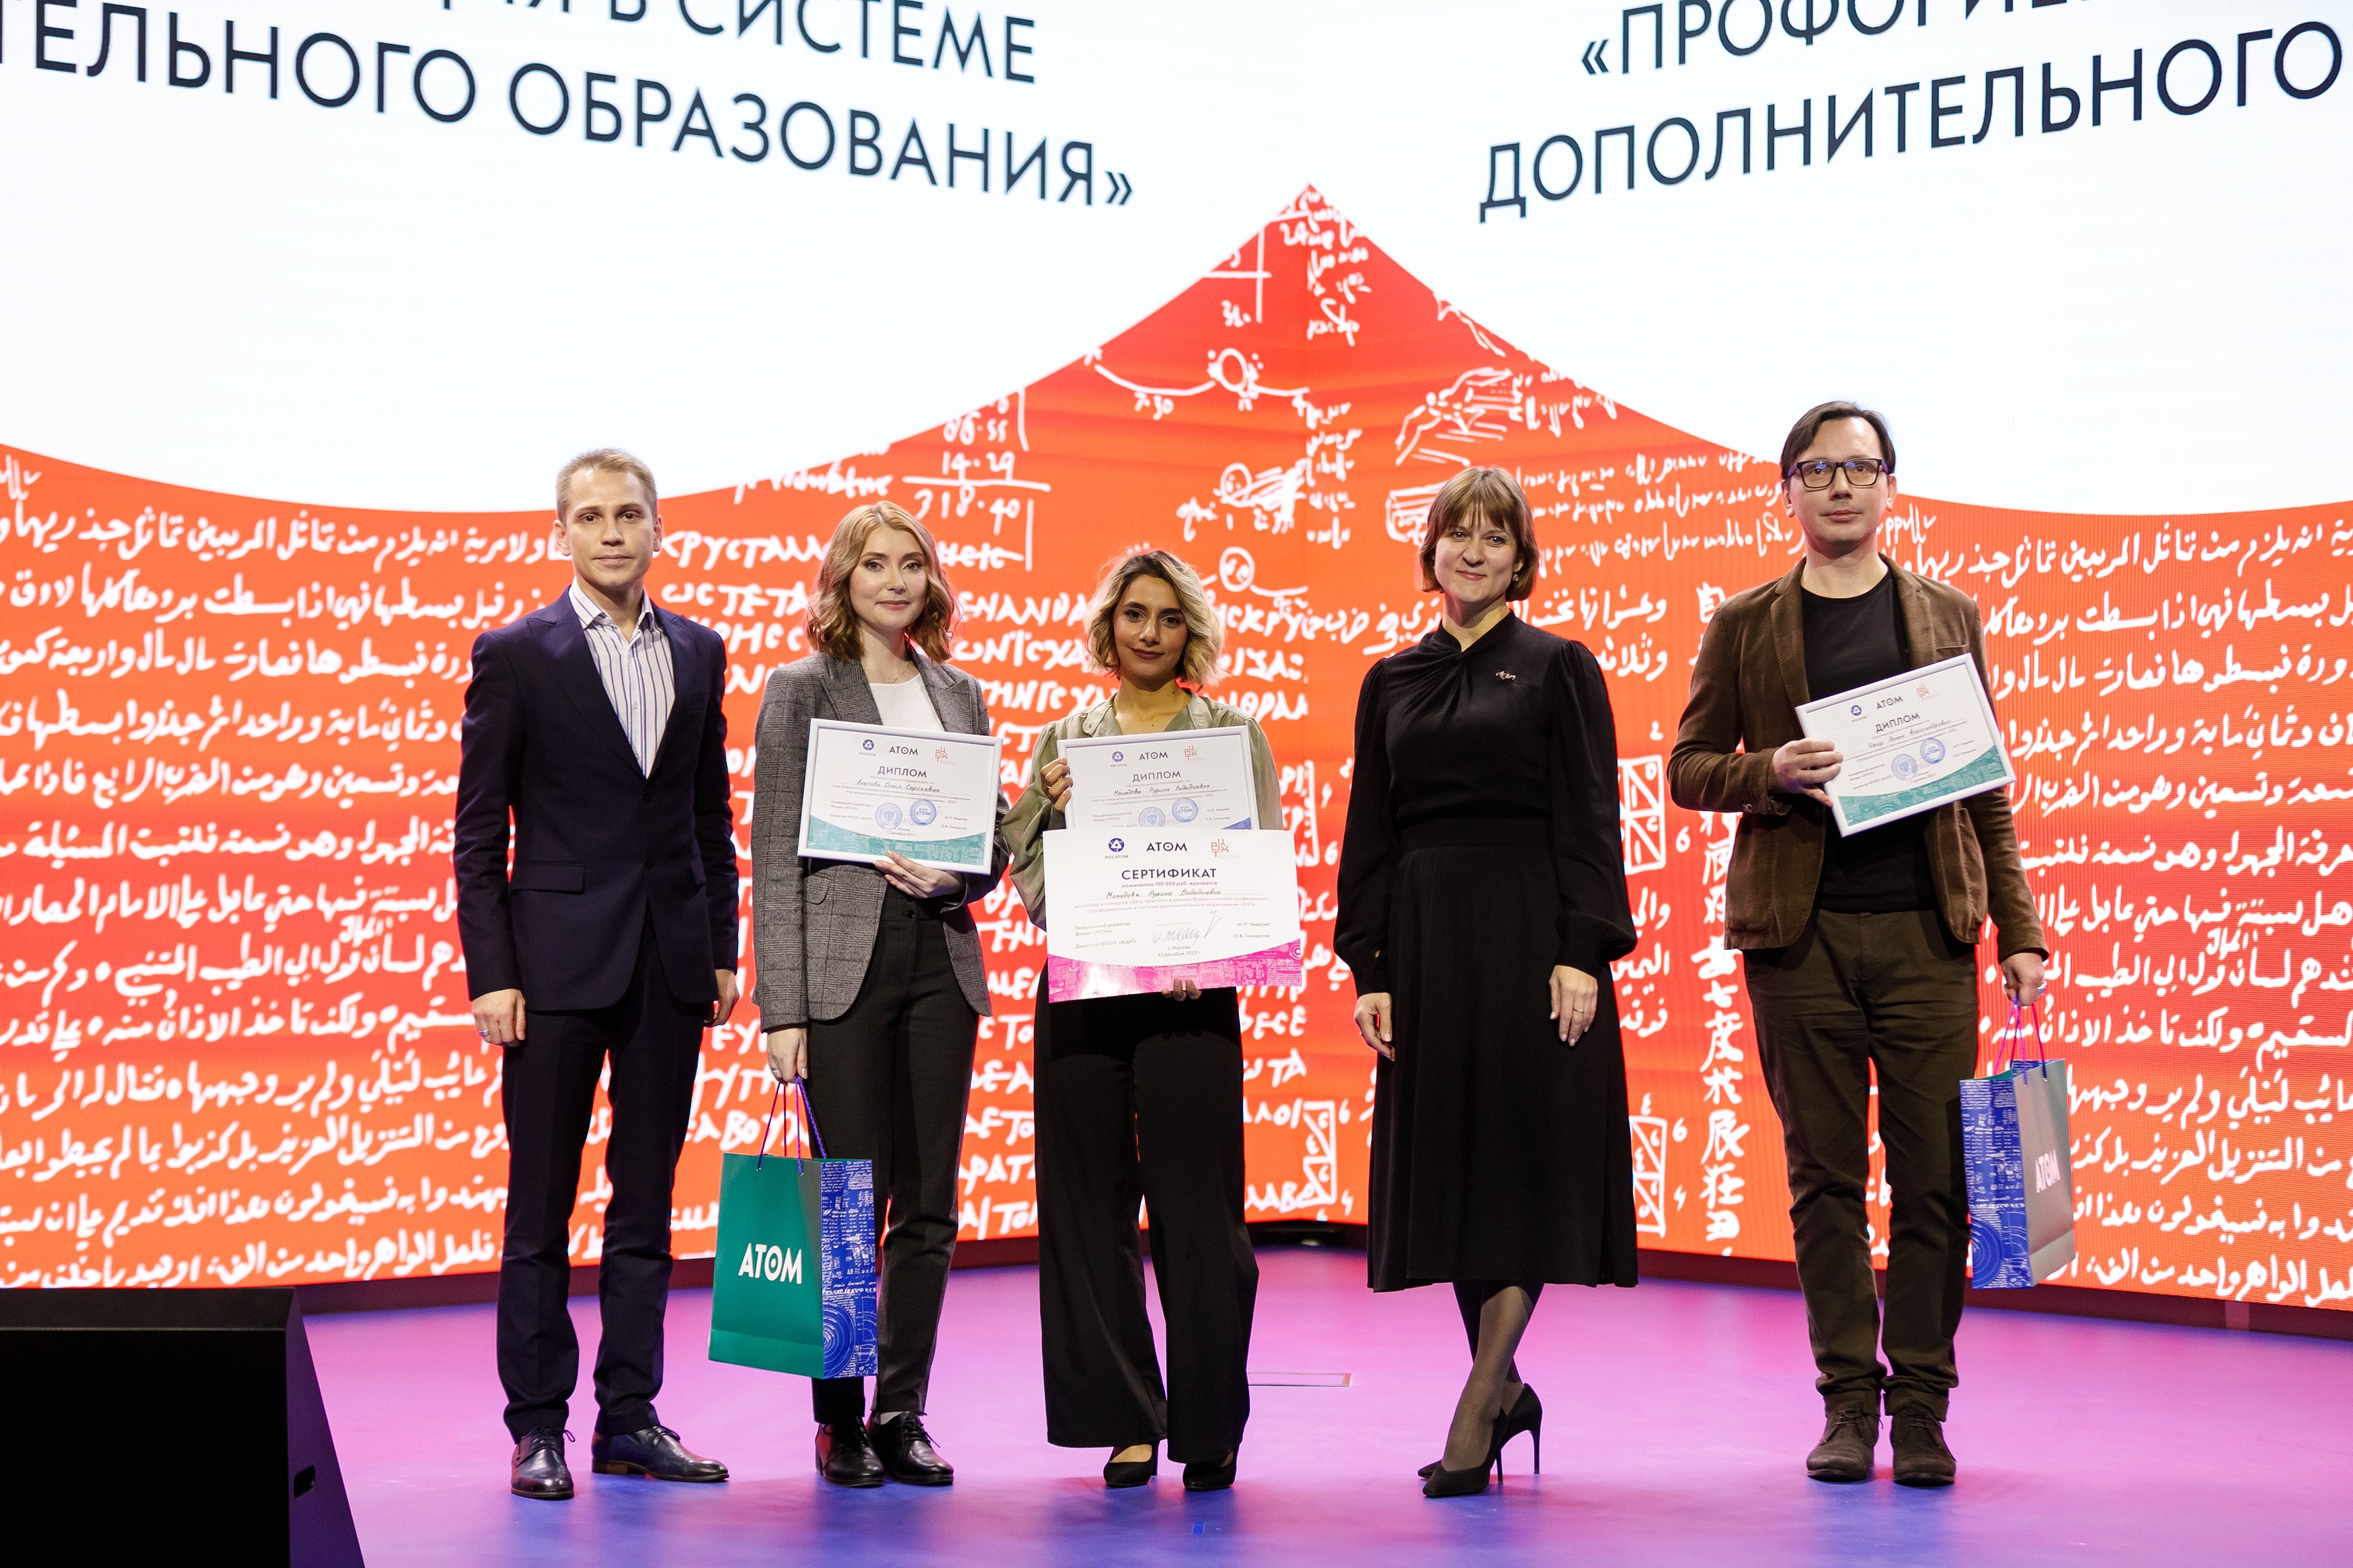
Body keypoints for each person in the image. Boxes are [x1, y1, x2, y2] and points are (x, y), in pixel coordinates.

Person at [1668, 401, 2048, 1488]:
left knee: (1937, 1183)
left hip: (1930, 936)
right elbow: (1689, 766)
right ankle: (1847, 1399)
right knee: (1822, 1182)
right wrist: (1770, 770)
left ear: (1890, 485)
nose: (1840, 485)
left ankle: (1921, 1403)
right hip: (1802, 942)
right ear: (1787, 488)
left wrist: (2018, 930)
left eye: (1860, 467)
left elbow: (1985, 788)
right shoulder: (1745, 622)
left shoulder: (1947, 614)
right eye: (1818, 468)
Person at [1334, 465, 1639, 1499]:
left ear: (1521, 561)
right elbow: (1371, 832)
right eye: (1456, 533)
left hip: (1531, 941)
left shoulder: (1560, 667)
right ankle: (1506, 1390)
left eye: (1495, 537)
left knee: (1522, 1167)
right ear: (1430, 551)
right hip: (1426, 949)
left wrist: (1582, 949)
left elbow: (1590, 815)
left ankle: (1477, 1405)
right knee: (1461, 1175)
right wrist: (1371, 964)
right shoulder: (1390, 678)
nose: (1472, 550)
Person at [454, 449, 739, 1501]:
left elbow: (708, 812)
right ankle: (538, 1426)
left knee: (646, 1205)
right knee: (539, 1208)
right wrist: (493, 971)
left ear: (658, 527)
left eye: (628, 514)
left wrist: (721, 946)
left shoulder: (700, 650)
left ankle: (629, 1417)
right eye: (591, 516)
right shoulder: (515, 653)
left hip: (669, 962)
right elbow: (478, 831)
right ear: (562, 532)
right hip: (552, 969)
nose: (612, 532)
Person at [1002, 549, 1279, 1493]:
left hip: (1193, 998)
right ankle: (1124, 1417)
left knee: (1200, 1211)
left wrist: (1212, 952)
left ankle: (1209, 1424)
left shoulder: (1232, 735)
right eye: (1134, 615)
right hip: (1087, 985)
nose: (1150, 632)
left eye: (1166, 616)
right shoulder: (1065, 739)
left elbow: (1256, 863)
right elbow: (1029, 877)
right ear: (1108, 628)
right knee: (1086, 1209)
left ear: (1187, 630)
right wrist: (1050, 812)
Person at [751, 501, 1009, 1488]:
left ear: (930, 580)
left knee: (929, 1205)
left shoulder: (958, 691)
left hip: (940, 957)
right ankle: (840, 1419)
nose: (896, 580)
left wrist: (962, 874)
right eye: (875, 564)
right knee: (846, 1202)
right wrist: (782, 1008)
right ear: (843, 579)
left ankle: (902, 1410)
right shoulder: (802, 688)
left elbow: (988, 834)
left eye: (912, 564)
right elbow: (774, 852)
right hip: (840, 967)